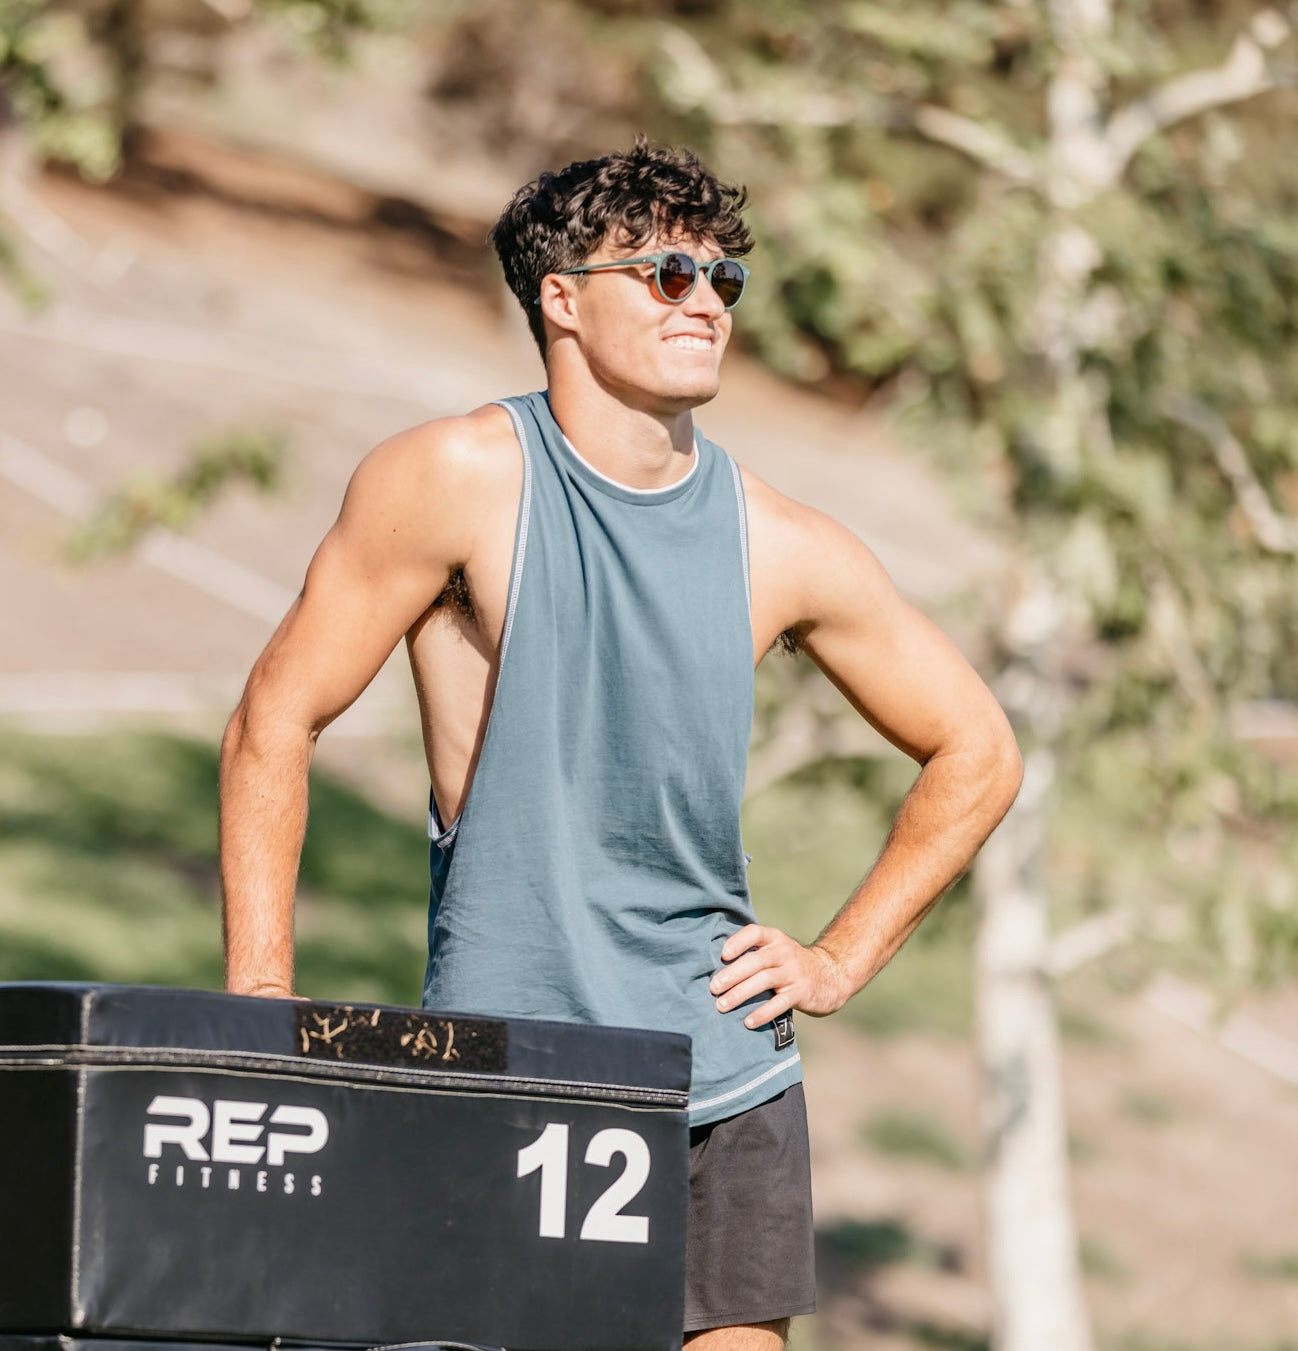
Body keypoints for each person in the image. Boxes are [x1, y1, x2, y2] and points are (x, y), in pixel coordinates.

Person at [220, 140, 1023, 1350]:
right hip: (506, 1065)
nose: (704, 300)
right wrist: (259, 1011)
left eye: (721, 279)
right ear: (559, 297)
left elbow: (977, 749)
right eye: (663, 273)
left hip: (723, 1077)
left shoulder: (785, 541)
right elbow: (272, 719)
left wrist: (837, 959)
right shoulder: (450, 478)